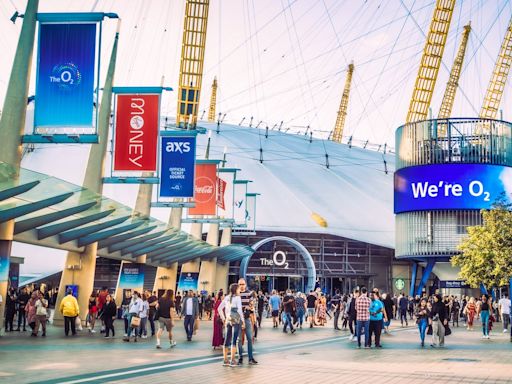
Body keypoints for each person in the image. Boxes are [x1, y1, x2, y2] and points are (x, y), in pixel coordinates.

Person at [218, 283, 244, 367]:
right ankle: (232, 360)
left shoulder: (226, 297)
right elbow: (239, 310)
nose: (240, 290)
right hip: (236, 319)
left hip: (228, 319)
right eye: (239, 289)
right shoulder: (237, 298)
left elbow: (219, 309)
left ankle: (225, 359)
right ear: (235, 289)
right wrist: (242, 320)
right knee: (234, 339)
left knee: (227, 339)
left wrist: (223, 318)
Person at [237, 278, 258, 365]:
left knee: (250, 338)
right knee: (239, 339)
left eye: (243, 284)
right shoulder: (236, 295)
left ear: (245, 285)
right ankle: (240, 357)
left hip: (247, 318)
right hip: (238, 319)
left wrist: (250, 307)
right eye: (240, 284)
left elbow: (252, 305)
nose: (242, 286)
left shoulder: (249, 294)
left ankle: (250, 358)